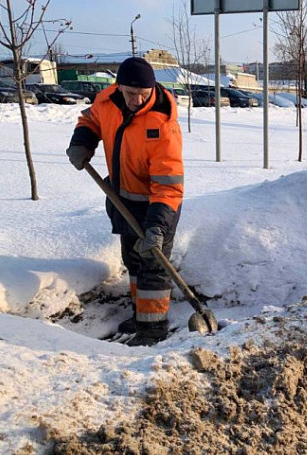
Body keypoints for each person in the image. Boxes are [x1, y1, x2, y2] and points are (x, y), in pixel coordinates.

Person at [66, 57, 184, 347]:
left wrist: (157, 227)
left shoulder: (162, 124)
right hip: (122, 199)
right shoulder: (107, 102)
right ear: (119, 87)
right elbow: (90, 120)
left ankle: (153, 330)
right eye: (130, 93)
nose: (136, 100)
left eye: (143, 94)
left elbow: (168, 187)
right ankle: (140, 316)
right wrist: (82, 143)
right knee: (133, 260)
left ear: (152, 89)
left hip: (157, 205)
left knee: (153, 266)